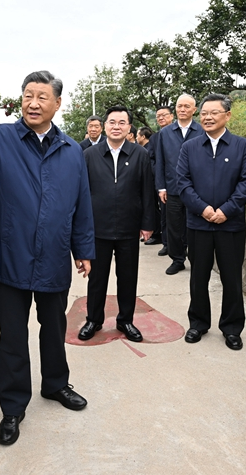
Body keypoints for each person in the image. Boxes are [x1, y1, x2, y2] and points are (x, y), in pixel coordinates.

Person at [0, 70, 95, 447]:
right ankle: (13, 407)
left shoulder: (71, 151)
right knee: (13, 336)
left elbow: (81, 204)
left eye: (42, 97)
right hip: (10, 256)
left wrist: (83, 250)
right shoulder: (1, 139)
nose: (33, 103)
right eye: (28, 95)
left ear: (57, 104)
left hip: (53, 255)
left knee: (54, 327)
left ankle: (56, 385)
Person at [176, 93, 246, 351]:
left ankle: (232, 328)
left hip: (230, 225)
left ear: (227, 115)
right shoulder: (189, 147)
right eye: (204, 113)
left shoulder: (242, 146)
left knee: (231, 278)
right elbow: (183, 183)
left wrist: (226, 210)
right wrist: (203, 209)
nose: (208, 117)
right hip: (198, 225)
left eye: (214, 113)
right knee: (198, 277)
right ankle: (198, 323)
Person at [78, 106, 155, 343]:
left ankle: (125, 320)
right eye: (112, 122)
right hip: (97, 228)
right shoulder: (89, 155)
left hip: (128, 227)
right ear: (105, 126)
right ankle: (94, 319)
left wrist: (147, 223)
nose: (116, 126)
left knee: (128, 278)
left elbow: (147, 190)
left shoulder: (140, 154)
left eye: (122, 122)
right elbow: (81, 193)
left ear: (129, 127)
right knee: (96, 278)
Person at [153, 95, 203, 274]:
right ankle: (177, 259)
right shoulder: (165, 133)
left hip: (196, 189)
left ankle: (196, 260)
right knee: (174, 226)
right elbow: (160, 161)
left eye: (187, 106)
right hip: (172, 188)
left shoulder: (202, 130)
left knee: (194, 226)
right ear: (175, 109)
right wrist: (161, 187)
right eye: (179, 106)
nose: (182, 109)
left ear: (194, 110)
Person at [153, 106, 174, 253]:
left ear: (172, 116)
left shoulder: (180, 133)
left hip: (184, 182)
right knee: (166, 216)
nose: (161, 118)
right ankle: (167, 244)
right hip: (165, 183)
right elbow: (153, 160)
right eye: (158, 116)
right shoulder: (156, 137)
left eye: (164, 115)